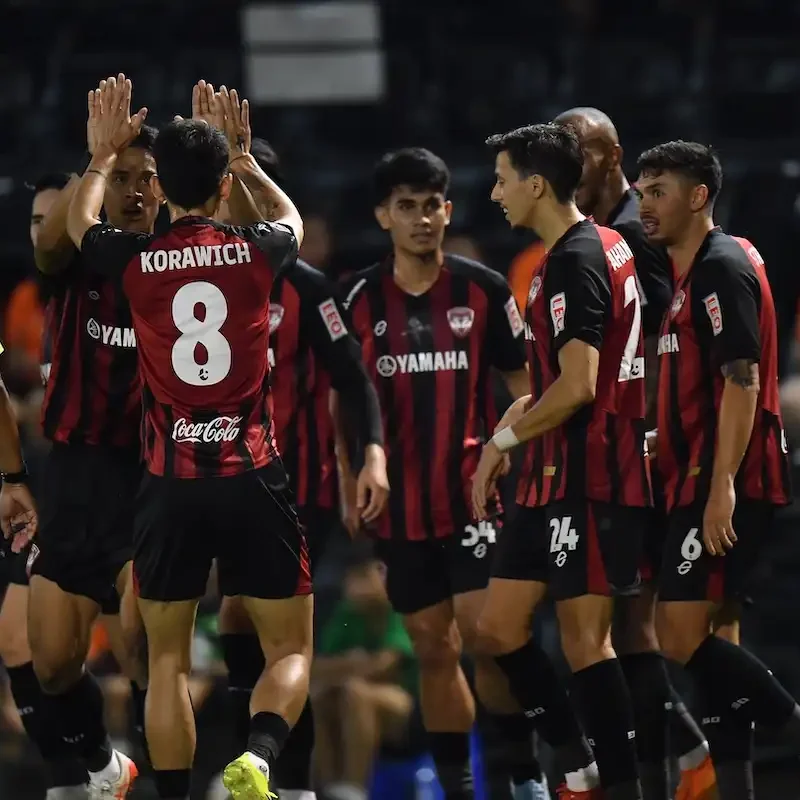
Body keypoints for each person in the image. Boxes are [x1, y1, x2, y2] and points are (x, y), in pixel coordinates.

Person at [66, 75, 310, 800]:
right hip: (251, 476)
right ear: (220, 181)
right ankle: (259, 760)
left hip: (170, 485)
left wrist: (103, 157)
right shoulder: (262, 250)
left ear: (164, 188)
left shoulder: (133, 259)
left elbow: (81, 227)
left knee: (166, 661)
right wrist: (248, 161)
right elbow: (292, 216)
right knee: (290, 648)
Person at [340, 147, 542, 800]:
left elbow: (526, 383)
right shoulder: (356, 300)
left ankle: (524, 775)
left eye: (432, 205)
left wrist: (520, 451)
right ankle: (459, 787)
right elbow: (340, 399)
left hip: (475, 495)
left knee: (490, 637)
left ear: (448, 210)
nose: (422, 219)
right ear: (382, 216)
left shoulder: (483, 289)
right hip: (399, 507)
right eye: (407, 207)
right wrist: (348, 479)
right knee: (432, 646)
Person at [474, 123, 652, 800]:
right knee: (497, 628)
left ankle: (619, 785)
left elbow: (579, 388)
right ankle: (576, 758)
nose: (495, 194)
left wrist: (500, 444)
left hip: (594, 471)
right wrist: (507, 435)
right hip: (552, 472)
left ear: (536, 183)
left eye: (502, 178)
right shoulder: (585, 249)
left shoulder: (578, 257)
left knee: (587, 641)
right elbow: (557, 382)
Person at [553, 107, 713, 800]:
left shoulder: (631, 234)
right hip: (621, 451)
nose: (570, 164)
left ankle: (688, 748)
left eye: (580, 152)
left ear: (611, 154)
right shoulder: (595, 233)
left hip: (650, 450)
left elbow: (654, 340)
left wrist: (653, 426)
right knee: (625, 622)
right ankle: (673, 755)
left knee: (638, 622)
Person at [637, 141, 798, 800]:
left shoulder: (721, 267)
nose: (645, 204)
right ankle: (735, 788)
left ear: (699, 196)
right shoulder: (686, 272)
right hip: (694, 475)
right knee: (716, 637)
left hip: (723, 480)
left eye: (659, 191)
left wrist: (722, 484)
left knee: (676, 634)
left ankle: (789, 718)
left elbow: (744, 380)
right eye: (642, 190)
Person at [25, 76, 158, 799]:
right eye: (124, 177)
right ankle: (108, 767)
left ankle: (167, 775)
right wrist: (97, 161)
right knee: (51, 665)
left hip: (151, 474)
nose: (136, 191)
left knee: (142, 644)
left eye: (148, 178)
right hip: (76, 473)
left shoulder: (179, 254)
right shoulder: (76, 254)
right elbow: (46, 247)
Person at [313, 546, 417, 800]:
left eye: (365, 575)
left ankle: (354, 788)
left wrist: (348, 666)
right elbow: (315, 668)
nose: (358, 584)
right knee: (317, 696)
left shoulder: (398, 608)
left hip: (406, 706)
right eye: (353, 577)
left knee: (354, 691)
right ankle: (326, 788)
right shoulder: (346, 614)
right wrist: (355, 664)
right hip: (348, 700)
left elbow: (386, 666)